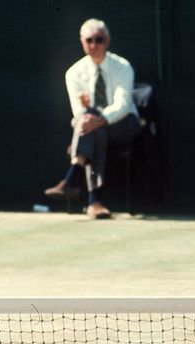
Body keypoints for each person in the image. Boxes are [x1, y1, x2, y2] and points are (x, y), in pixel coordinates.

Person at [44, 18, 141, 219]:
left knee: (92, 125)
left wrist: (100, 118)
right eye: (89, 40)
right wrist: (92, 118)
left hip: (123, 125)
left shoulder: (122, 67)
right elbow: (78, 112)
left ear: (107, 41)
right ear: (82, 42)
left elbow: (122, 105)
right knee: (93, 129)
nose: (94, 45)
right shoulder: (73, 73)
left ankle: (73, 178)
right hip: (94, 129)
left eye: (99, 39)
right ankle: (94, 202)